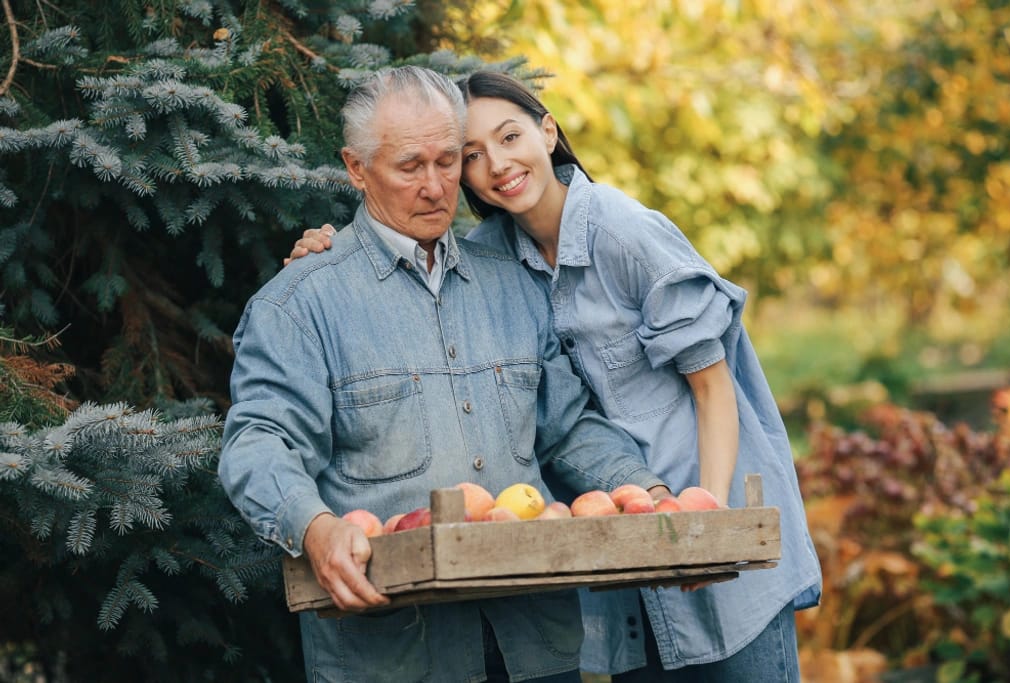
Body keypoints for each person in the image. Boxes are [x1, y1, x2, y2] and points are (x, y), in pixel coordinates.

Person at [289, 70, 823, 682]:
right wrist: (327, 251)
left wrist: (709, 521)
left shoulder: (622, 230)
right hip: (610, 535)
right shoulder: (492, 257)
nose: (496, 164)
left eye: (510, 136)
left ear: (548, 131)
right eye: (472, 155)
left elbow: (713, 386)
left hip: (700, 503)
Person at [219, 65, 674, 683]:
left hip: (534, 648)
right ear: (357, 169)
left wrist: (645, 492)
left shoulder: (512, 283)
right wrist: (315, 528)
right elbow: (258, 443)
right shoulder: (300, 304)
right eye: (410, 166)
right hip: (395, 656)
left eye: (448, 161)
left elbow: (567, 430)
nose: (436, 187)